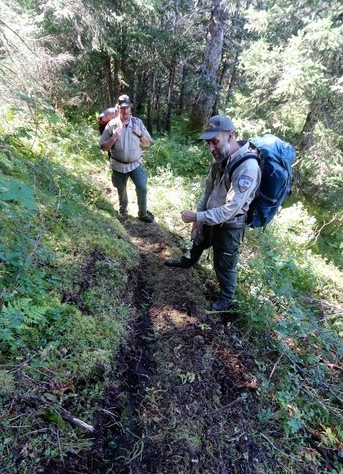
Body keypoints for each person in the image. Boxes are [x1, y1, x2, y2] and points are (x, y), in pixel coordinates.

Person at [165, 115, 261, 311]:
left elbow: (231, 209)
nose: (211, 148)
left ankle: (226, 298)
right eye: (208, 142)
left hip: (230, 226)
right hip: (210, 217)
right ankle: (187, 261)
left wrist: (197, 217)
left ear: (230, 136)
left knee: (224, 263)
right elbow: (208, 191)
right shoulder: (220, 159)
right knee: (198, 241)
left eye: (215, 141)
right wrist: (199, 218)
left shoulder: (248, 167)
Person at [100, 94, 154, 223]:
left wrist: (139, 134)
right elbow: (103, 147)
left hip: (135, 164)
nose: (125, 111)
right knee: (121, 190)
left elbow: (147, 143)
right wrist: (113, 137)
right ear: (118, 108)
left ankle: (143, 213)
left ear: (130, 108)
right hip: (118, 165)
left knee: (142, 187)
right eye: (122, 108)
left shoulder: (137, 123)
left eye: (127, 108)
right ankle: (123, 212)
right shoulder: (112, 125)